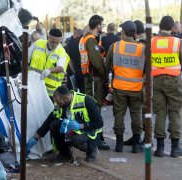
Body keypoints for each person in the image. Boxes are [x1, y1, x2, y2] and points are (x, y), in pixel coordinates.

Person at [28, 86, 103, 163]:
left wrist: (81, 126)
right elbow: (49, 120)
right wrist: (36, 137)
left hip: (91, 132)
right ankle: (65, 154)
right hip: (75, 130)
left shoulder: (86, 100)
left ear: (67, 98)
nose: (58, 105)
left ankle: (92, 150)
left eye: (60, 103)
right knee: (54, 125)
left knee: (76, 139)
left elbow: (99, 123)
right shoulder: (61, 104)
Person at [106, 21, 145, 153]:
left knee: (119, 114)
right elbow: (146, 69)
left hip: (120, 88)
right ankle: (135, 144)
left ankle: (119, 145)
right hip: (136, 88)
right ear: (134, 33)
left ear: (123, 32)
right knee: (136, 115)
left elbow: (107, 64)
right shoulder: (142, 48)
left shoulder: (115, 46)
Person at [151, 16, 182, 158]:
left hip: (157, 80)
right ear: (172, 28)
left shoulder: (151, 42)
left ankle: (160, 148)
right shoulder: (177, 42)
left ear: (160, 26)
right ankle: (175, 148)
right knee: (175, 112)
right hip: (174, 81)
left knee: (160, 113)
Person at [79, 15, 110, 150]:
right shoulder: (91, 40)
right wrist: (105, 75)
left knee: (91, 108)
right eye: (102, 25)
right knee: (94, 108)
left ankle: (96, 138)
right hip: (93, 79)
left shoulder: (84, 39)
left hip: (88, 78)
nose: (102, 28)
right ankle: (97, 139)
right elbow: (97, 61)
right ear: (97, 25)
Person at [123, 19, 146, 146]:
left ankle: (145, 139)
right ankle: (137, 137)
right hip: (140, 83)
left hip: (143, 84)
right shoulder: (143, 42)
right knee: (138, 112)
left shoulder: (143, 44)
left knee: (142, 112)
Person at [28, 28, 69, 98]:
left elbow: (61, 67)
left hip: (50, 91)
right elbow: (26, 58)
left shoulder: (61, 52)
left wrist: (49, 70)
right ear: (48, 38)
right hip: (33, 85)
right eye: (53, 42)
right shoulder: (38, 43)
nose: (55, 45)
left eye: (58, 42)